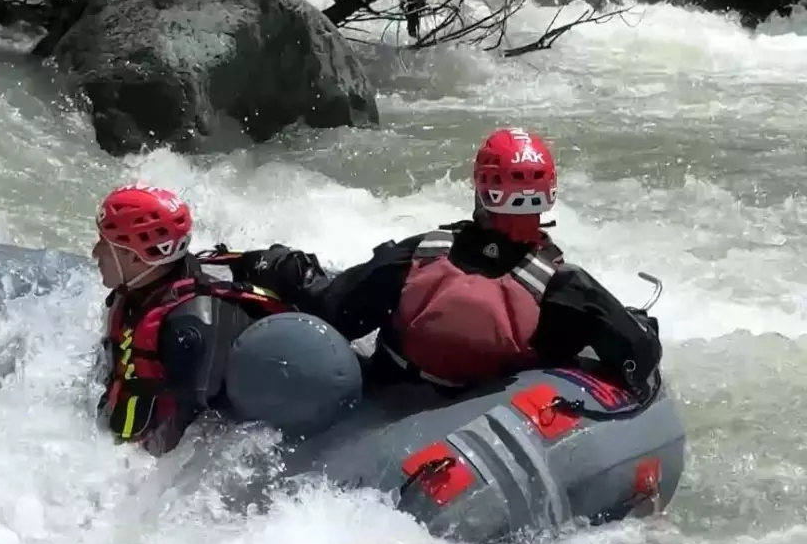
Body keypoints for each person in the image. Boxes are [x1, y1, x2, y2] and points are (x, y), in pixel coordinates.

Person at [227, 127, 664, 401]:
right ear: (550, 193)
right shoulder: (566, 289)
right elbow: (638, 357)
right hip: (483, 418)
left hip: (388, 401)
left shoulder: (419, 254)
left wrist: (282, 267)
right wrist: (639, 325)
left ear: (480, 187)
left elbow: (334, 312)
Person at [92, 183, 293, 456]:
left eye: (105, 245)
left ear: (135, 257)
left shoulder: (189, 333)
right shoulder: (139, 291)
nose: (95, 253)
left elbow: (184, 439)